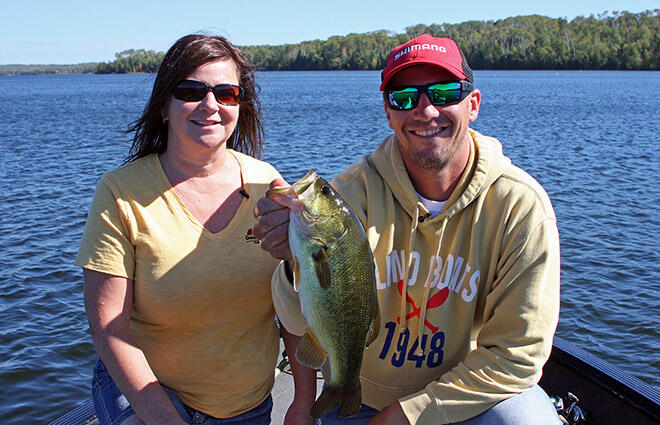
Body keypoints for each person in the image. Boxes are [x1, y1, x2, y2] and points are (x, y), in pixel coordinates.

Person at [253, 34, 561, 425]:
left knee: (528, 419)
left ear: (474, 104)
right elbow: (299, 319)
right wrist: (291, 262)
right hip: (359, 394)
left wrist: (406, 415)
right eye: (404, 97)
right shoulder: (350, 197)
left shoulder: (519, 206)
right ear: (388, 112)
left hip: (462, 396)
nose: (425, 110)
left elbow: (519, 354)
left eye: (445, 92)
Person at [77, 34, 283, 425]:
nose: (210, 105)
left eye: (226, 93)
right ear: (163, 106)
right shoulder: (120, 193)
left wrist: (303, 401)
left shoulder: (267, 184)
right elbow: (109, 328)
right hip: (149, 398)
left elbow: (295, 297)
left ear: (241, 105)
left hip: (248, 405)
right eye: (191, 91)